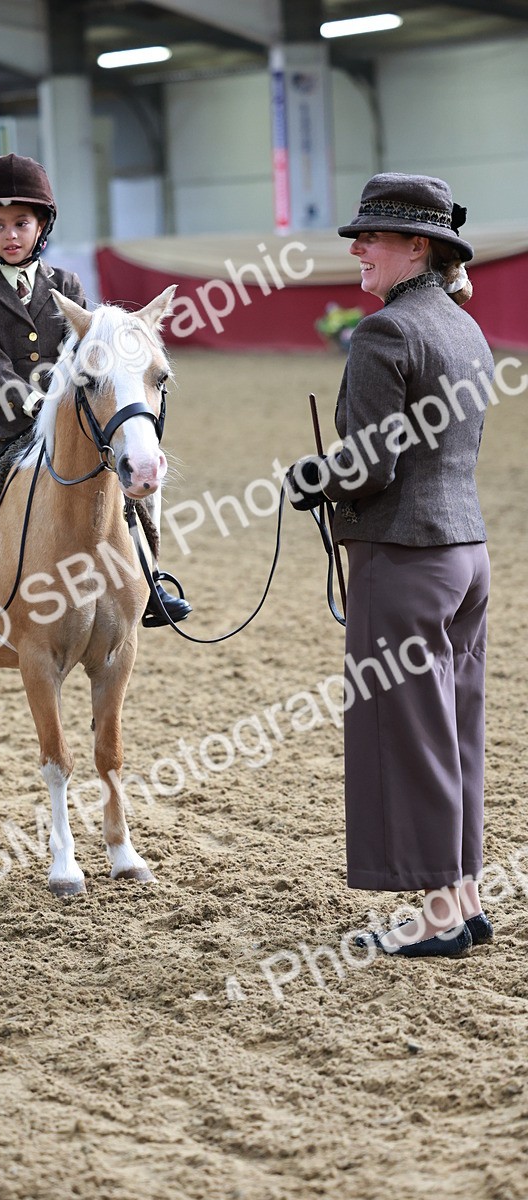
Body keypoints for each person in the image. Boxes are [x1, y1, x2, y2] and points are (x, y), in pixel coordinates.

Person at [285, 173, 494, 958]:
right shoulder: (463, 327)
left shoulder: (385, 333)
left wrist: (313, 477)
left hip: (404, 557)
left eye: (372, 235)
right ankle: (466, 896)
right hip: (465, 553)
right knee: (454, 729)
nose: (357, 247)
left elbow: (369, 465)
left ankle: (441, 914)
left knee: (408, 733)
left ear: (419, 247)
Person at [0, 153, 191, 632]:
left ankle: (151, 576)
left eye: (21, 223)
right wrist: (33, 400)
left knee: (142, 476)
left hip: (65, 424)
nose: (10, 236)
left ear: (42, 226)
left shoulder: (67, 285)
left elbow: (88, 352)